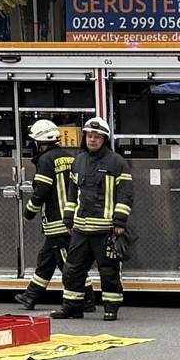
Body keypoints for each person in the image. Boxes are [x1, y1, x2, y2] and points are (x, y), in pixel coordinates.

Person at [58, 116, 133, 321]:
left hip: (105, 229)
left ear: (104, 139)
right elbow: (72, 193)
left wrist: (119, 222)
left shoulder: (116, 162)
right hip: (81, 229)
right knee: (72, 270)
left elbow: (125, 194)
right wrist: (68, 219)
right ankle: (72, 307)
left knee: (108, 272)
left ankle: (111, 308)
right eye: (90, 136)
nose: (92, 140)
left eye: (97, 137)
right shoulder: (79, 160)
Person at [18, 119, 75, 309]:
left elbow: (41, 190)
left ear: (39, 142)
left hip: (57, 222)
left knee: (69, 263)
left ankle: (85, 299)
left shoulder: (45, 160)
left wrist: (28, 213)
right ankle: (30, 296)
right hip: (69, 218)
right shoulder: (69, 157)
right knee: (47, 259)